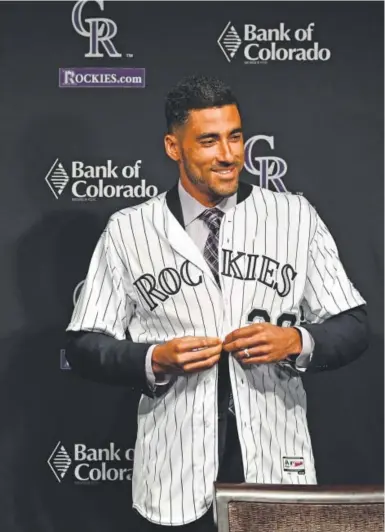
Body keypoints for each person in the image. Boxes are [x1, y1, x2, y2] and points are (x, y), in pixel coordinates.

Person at [65, 74, 369, 531]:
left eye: (235, 137)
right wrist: (153, 358)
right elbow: (85, 343)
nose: (228, 155)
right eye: (209, 141)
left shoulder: (293, 216)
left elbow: (353, 324)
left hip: (274, 456)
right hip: (174, 468)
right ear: (174, 146)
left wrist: (295, 340)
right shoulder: (129, 230)